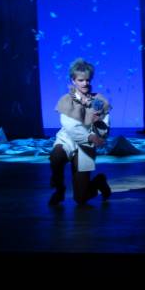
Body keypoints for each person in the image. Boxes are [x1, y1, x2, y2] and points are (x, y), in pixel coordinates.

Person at [48, 57, 112, 205]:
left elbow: (105, 124)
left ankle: (99, 181)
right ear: (73, 80)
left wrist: (99, 128)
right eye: (81, 80)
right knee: (56, 156)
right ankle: (59, 189)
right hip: (68, 139)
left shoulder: (98, 100)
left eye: (87, 80)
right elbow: (70, 126)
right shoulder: (66, 100)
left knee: (81, 199)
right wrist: (89, 137)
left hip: (86, 146)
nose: (85, 83)